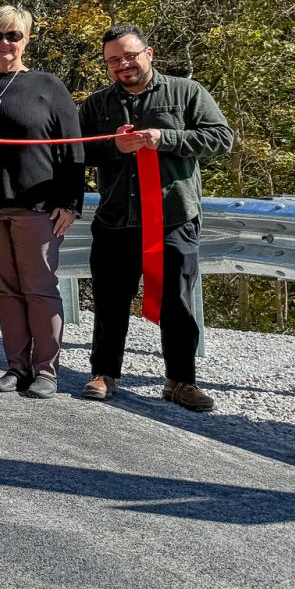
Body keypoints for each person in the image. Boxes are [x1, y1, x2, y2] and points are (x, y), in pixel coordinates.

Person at [78, 25, 233, 411]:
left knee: (177, 303)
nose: (123, 65)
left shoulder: (187, 92)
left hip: (173, 217)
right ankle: (104, 372)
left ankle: (181, 381)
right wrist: (113, 146)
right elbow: (78, 153)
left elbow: (221, 138)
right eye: (113, 60)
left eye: (130, 56)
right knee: (110, 300)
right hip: (116, 219)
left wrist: (167, 139)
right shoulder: (96, 104)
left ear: (150, 53)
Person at [0, 6, 83, 399]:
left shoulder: (49, 86)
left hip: (37, 206)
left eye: (12, 36)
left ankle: (46, 371)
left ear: (26, 39)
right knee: (6, 289)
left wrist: (70, 201)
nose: (4, 44)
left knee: (39, 288)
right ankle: (15, 366)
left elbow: (73, 147)